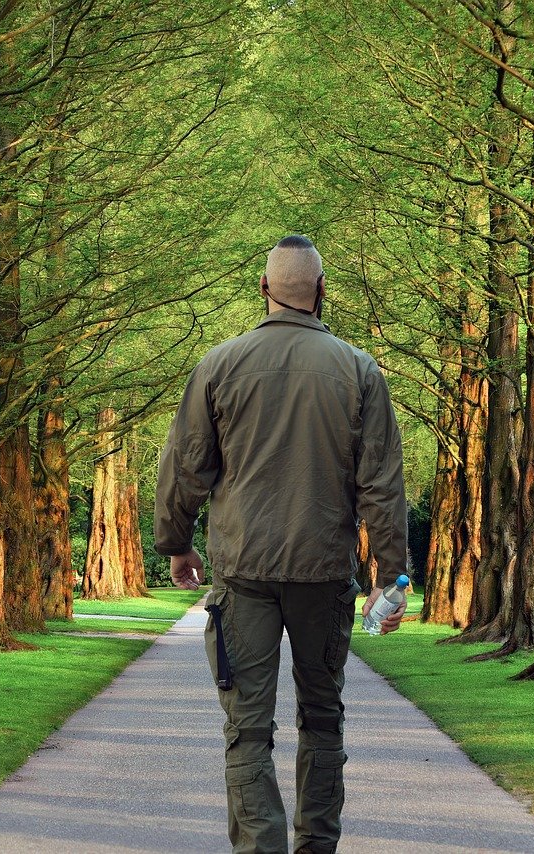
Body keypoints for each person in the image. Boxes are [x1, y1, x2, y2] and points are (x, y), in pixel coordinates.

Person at [154, 234, 409, 854]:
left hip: (244, 574)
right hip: (323, 573)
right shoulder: (359, 370)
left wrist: (176, 542)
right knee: (322, 720)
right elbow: (381, 482)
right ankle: (316, 844)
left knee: (248, 729)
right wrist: (389, 576)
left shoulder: (219, 365)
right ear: (322, 291)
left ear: (264, 290)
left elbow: (188, 464)